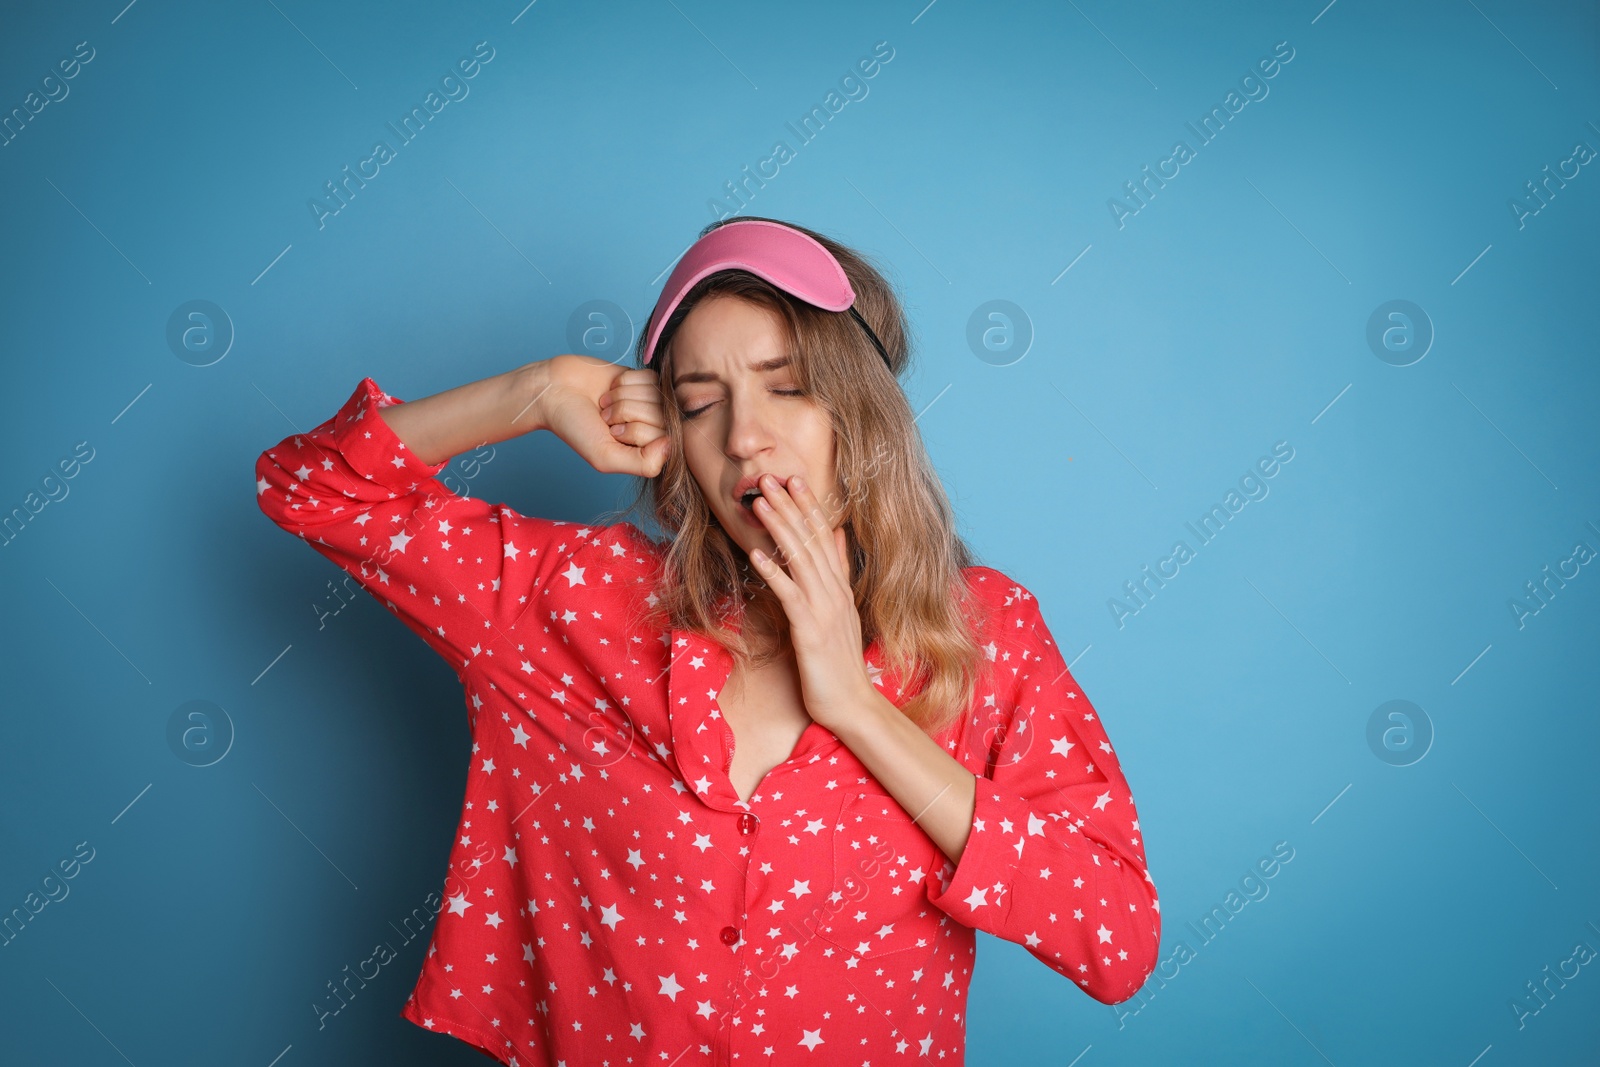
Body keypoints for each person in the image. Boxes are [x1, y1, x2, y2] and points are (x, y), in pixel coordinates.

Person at [255, 216, 1159, 1065]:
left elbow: (1116, 937)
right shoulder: (572, 603)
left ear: (860, 413)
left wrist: (855, 707)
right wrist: (535, 392)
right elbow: (308, 487)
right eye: (699, 403)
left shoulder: (982, 633)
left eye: (787, 387)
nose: (746, 437)